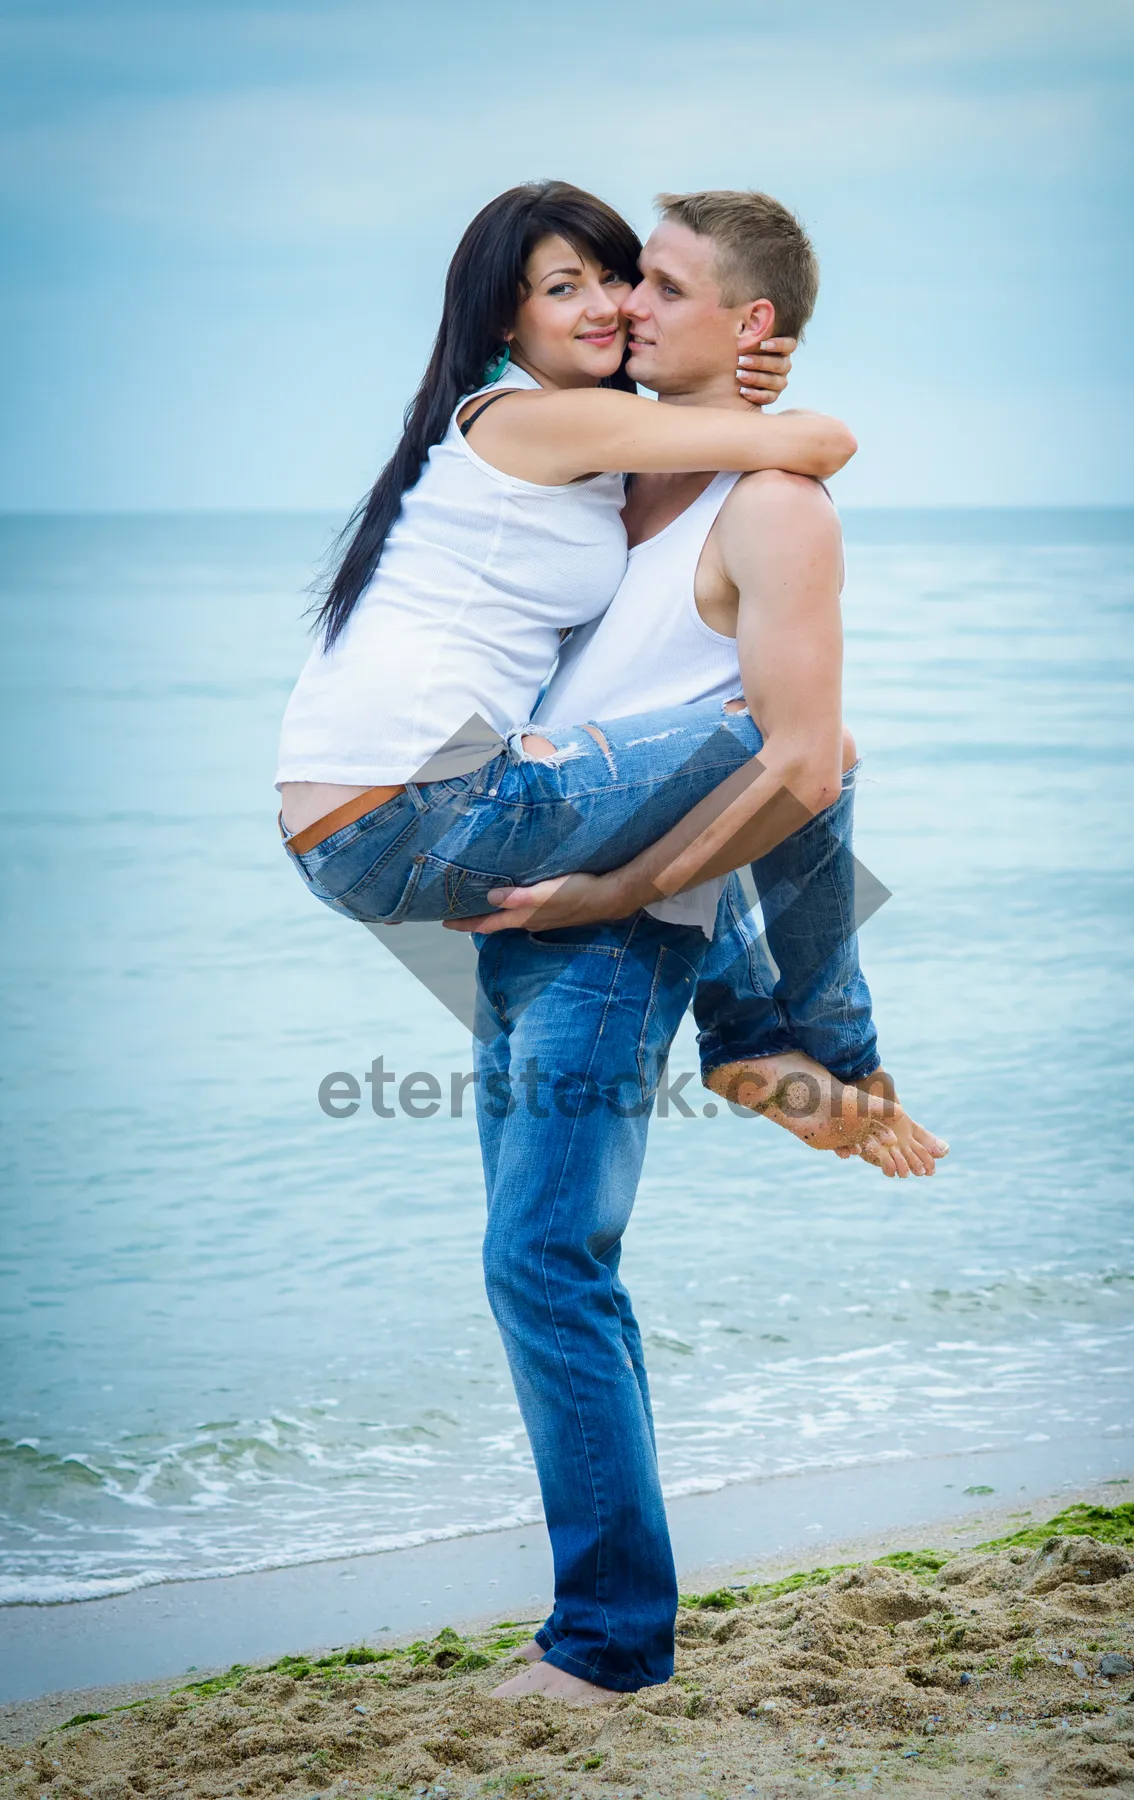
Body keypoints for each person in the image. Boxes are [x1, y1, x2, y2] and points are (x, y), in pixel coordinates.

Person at [447, 190, 946, 1709]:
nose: (621, 307)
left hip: (616, 930)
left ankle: (607, 1648)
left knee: (547, 1264)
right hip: (531, 919)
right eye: (610, 283)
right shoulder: (624, 477)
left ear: (749, 329)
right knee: (536, 1266)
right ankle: (769, 1042)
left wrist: (621, 901)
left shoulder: (772, 507)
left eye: (658, 286)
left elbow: (804, 764)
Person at [277, 179, 908, 1161]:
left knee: (734, 752)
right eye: (570, 288)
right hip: (436, 808)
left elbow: (717, 452)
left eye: (631, 281)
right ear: (507, 316)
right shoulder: (543, 425)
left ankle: (764, 1044)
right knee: (803, 747)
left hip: (403, 818)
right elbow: (825, 442)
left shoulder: (589, 453)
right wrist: (754, 378)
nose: (617, 307)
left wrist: (738, 373)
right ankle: (816, 1048)